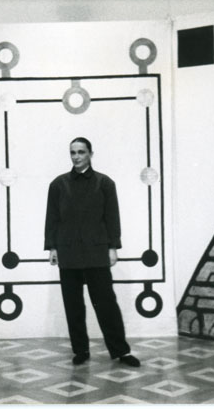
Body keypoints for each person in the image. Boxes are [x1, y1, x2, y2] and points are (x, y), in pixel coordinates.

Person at [44, 137, 140, 367]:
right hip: (68, 252)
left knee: (106, 304)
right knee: (73, 305)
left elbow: (112, 218)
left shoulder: (105, 183)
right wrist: (53, 247)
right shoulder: (58, 184)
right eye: (73, 152)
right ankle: (81, 350)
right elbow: (52, 219)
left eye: (81, 152)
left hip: (96, 252)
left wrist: (113, 247)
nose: (76, 156)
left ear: (90, 154)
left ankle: (121, 351)